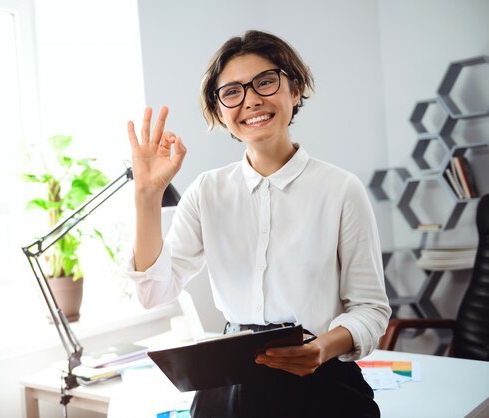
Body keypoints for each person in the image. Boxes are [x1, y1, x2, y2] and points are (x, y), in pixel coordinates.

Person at [125, 30, 391, 418]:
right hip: (228, 384)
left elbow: (369, 309)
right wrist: (147, 197)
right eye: (232, 92)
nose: (250, 99)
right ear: (219, 112)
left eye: (265, 82)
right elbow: (154, 292)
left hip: (323, 381)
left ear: (294, 89)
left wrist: (322, 349)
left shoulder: (340, 189)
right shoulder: (206, 191)